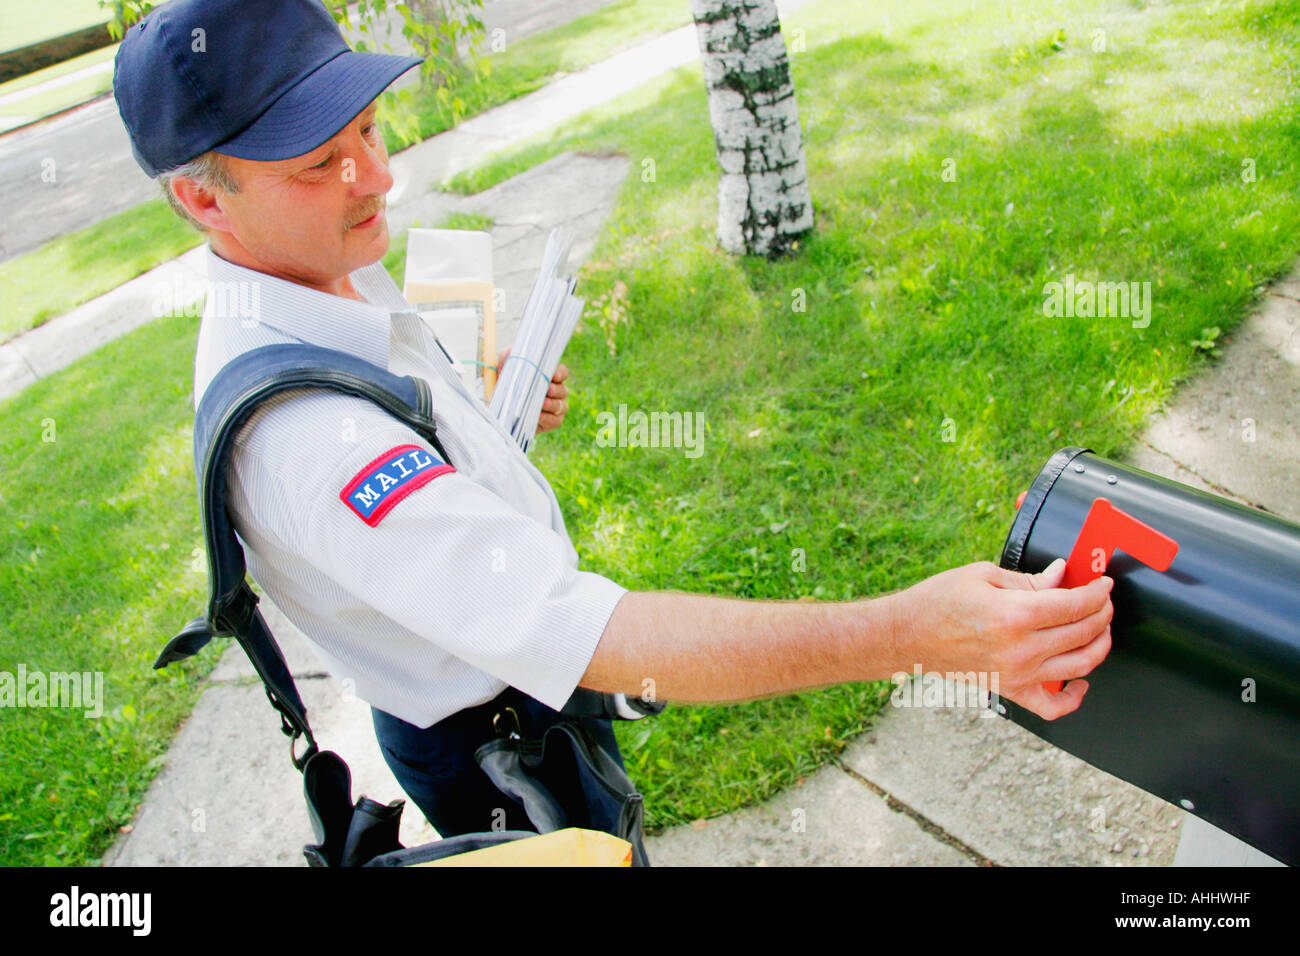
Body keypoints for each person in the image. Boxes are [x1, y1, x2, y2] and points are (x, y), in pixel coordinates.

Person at [113, 0, 1113, 840]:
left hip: (495, 680)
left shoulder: (305, 263)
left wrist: (478, 417)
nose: (376, 177)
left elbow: (412, 465)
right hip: (495, 739)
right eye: (319, 161)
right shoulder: (306, 446)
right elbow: (596, 631)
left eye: (369, 130)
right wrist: (921, 629)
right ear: (206, 199)